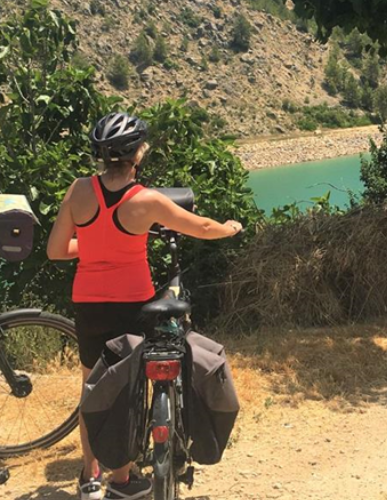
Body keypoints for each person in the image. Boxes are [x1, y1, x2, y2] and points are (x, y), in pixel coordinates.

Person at [47, 112, 243, 500]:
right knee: (129, 384)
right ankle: (122, 480)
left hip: (89, 303)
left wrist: (96, 245)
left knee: (94, 388)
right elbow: (202, 227)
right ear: (137, 154)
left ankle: (90, 476)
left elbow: (56, 250)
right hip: (133, 305)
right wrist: (230, 228)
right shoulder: (147, 200)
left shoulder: (79, 191)